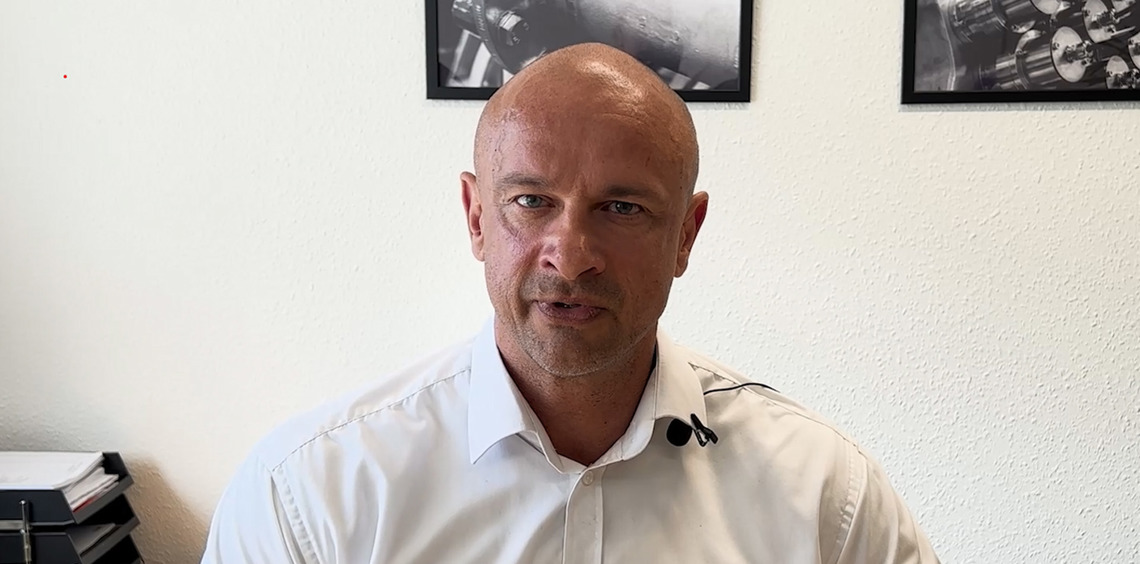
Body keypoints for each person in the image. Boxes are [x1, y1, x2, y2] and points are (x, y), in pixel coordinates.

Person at [201, 42, 940, 563]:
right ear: (476, 217)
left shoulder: (822, 497)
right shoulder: (310, 498)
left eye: (621, 208)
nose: (570, 252)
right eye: (530, 201)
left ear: (686, 235)